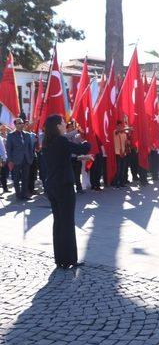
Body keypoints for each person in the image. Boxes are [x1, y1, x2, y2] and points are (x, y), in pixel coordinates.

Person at [40, 114, 91, 269]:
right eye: (63, 122)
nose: (65, 124)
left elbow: (62, 159)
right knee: (67, 222)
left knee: (58, 223)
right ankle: (70, 259)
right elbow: (82, 147)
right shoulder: (61, 140)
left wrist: (80, 158)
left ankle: (60, 259)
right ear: (57, 126)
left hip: (53, 186)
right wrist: (86, 136)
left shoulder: (47, 142)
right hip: (64, 186)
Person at [5, 117, 35, 200]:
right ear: (15, 125)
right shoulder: (11, 135)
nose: (22, 124)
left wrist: (31, 157)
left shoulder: (27, 134)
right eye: (19, 123)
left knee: (25, 178)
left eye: (22, 123)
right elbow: (9, 149)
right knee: (16, 178)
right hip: (16, 160)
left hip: (26, 160)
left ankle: (25, 194)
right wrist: (10, 160)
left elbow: (30, 147)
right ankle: (18, 195)